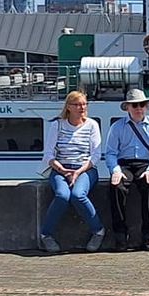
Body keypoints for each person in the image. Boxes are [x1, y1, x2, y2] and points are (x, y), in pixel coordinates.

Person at [102, 87, 149, 250]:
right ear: (128, 108)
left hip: (146, 163)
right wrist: (115, 170)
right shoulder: (117, 127)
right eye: (135, 105)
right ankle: (120, 234)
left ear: (146, 106)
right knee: (116, 187)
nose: (139, 108)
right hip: (124, 164)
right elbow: (111, 153)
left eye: (142, 105)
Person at [39, 91, 104, 253]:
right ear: (68, 107)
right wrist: (62, 170)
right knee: (62, 196)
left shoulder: (92, 125)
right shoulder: (57, 125)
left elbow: (95, 155)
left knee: (78, 195)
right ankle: (46, 235)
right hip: (60, 168)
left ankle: (98, 230)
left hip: (85, 169)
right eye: (77, 105)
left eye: (84, 104)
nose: (82, 108)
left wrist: (78, 172)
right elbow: (48, 155)